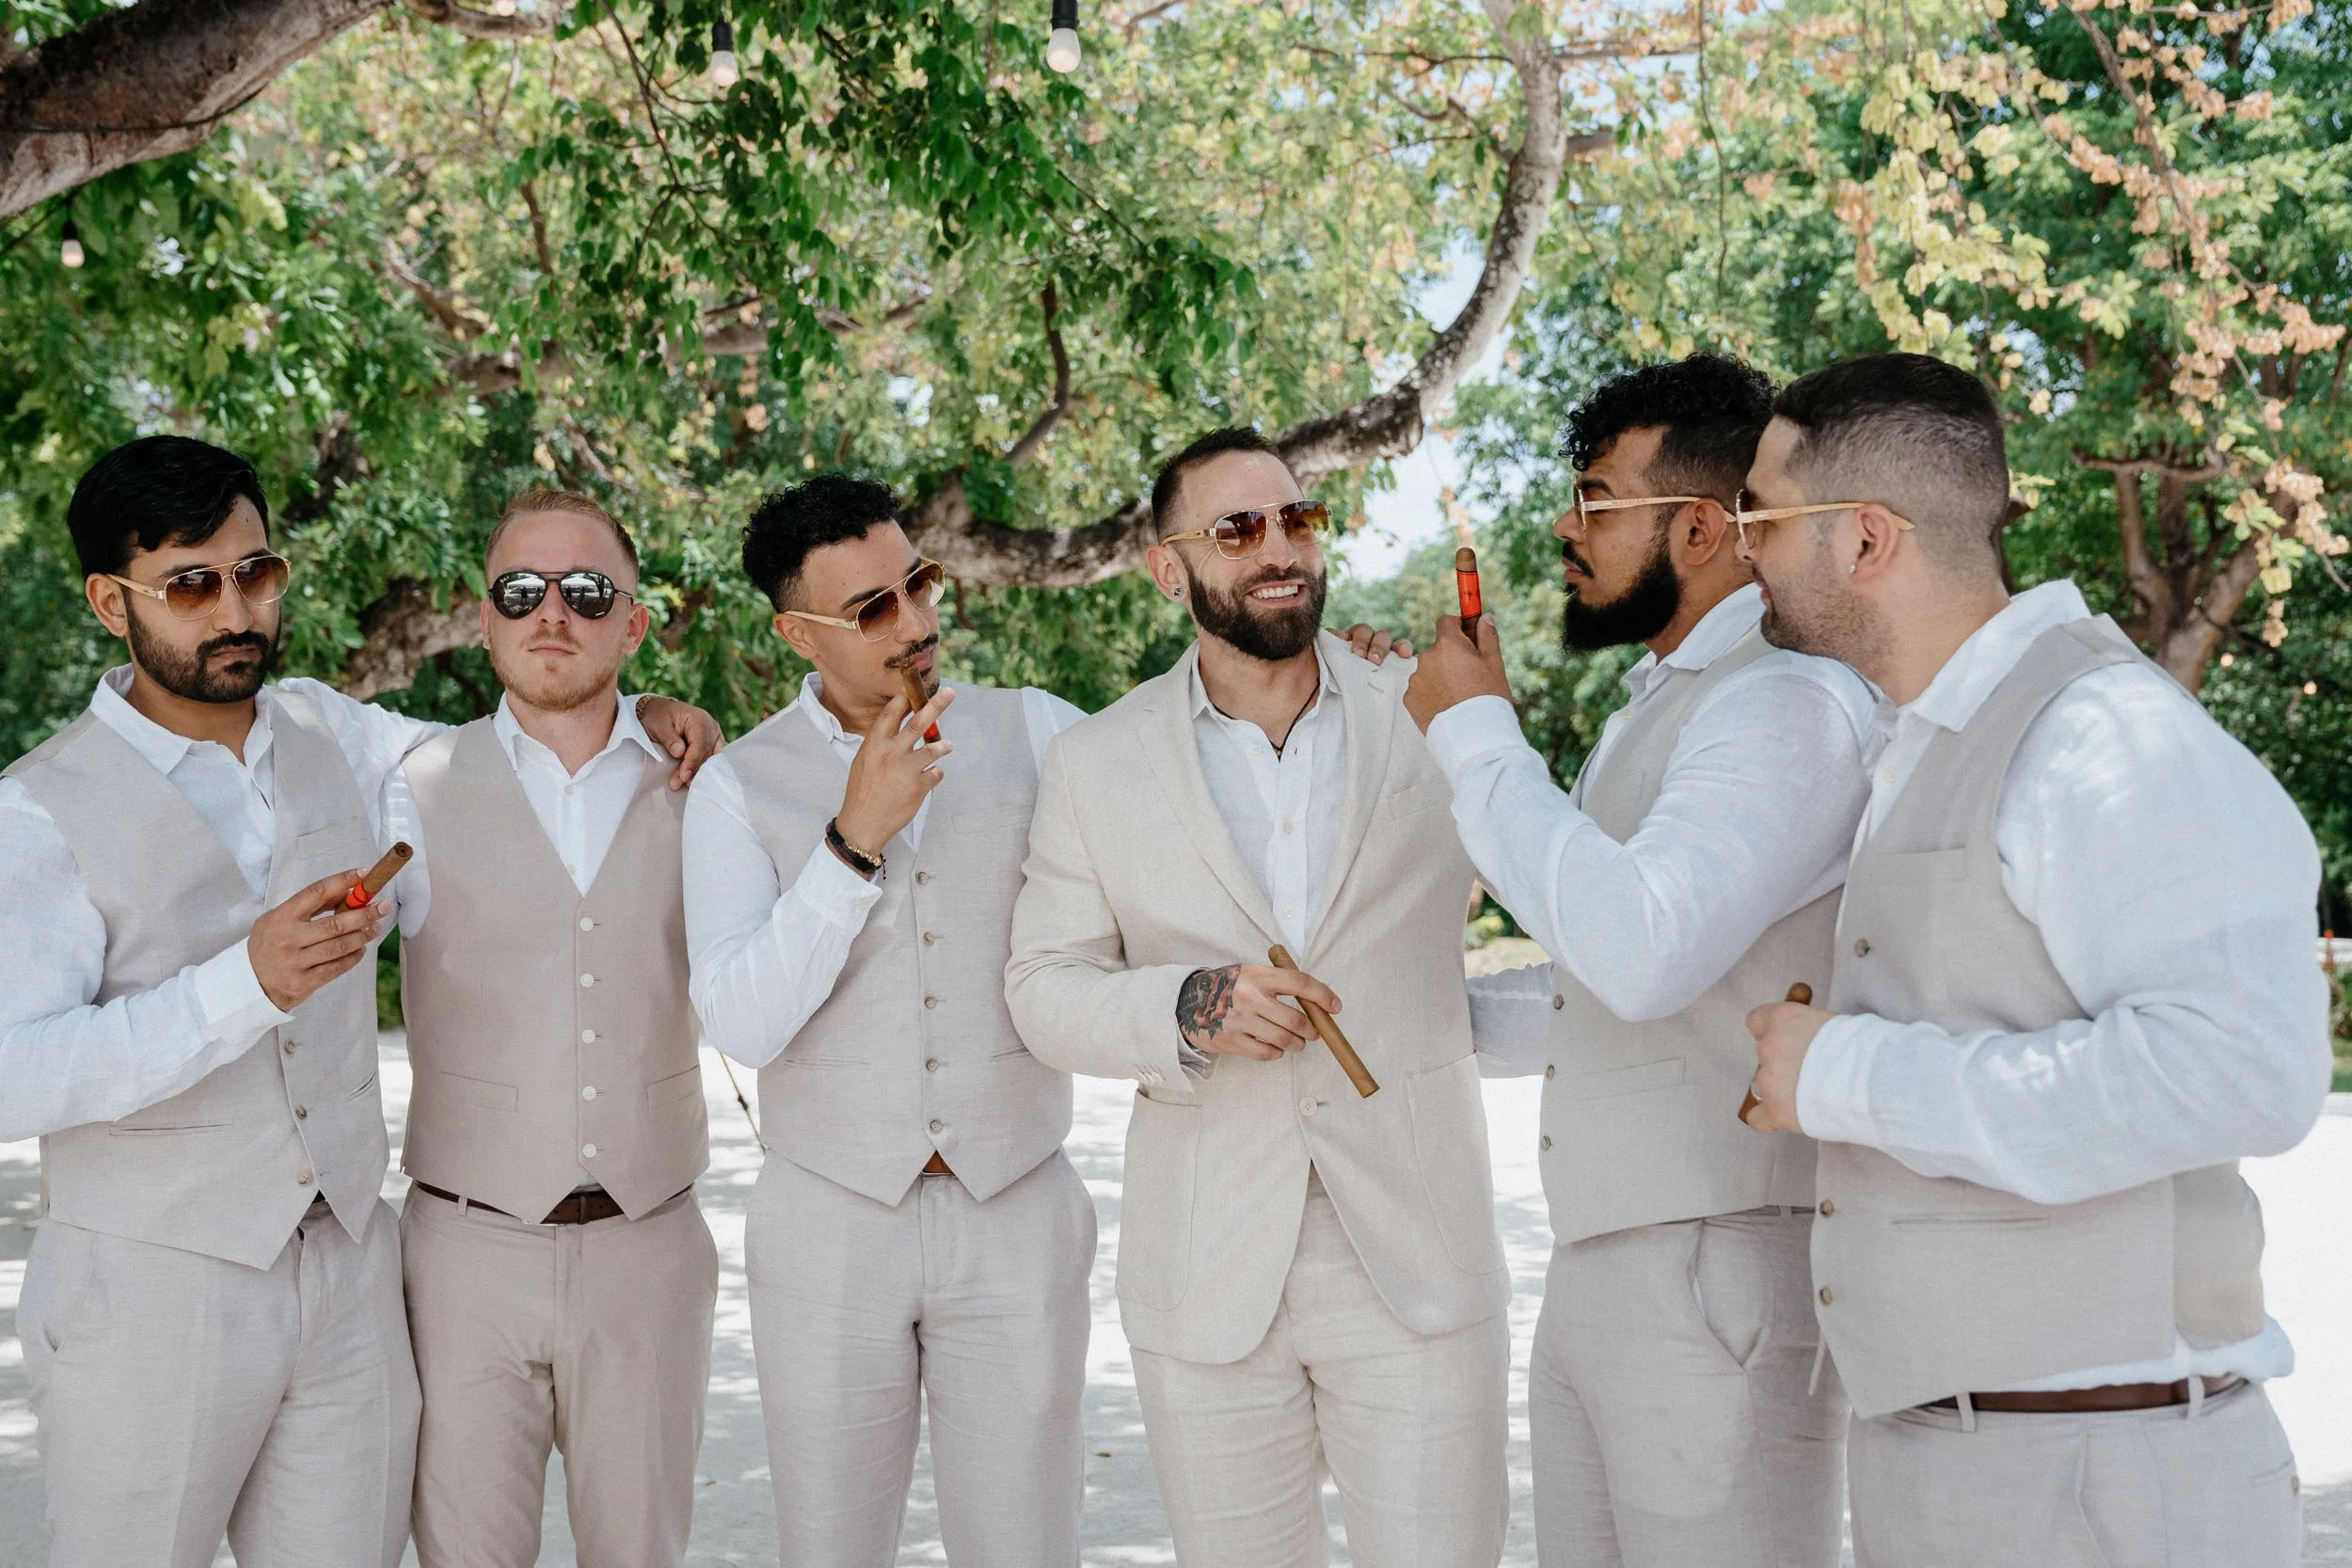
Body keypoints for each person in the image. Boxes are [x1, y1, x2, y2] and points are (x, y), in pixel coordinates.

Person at [0, 437, 718, 1568]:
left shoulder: (336, 731)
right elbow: (15, 1072)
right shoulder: (37, 812)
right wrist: (241, 986)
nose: (234, 608)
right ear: (110, 601)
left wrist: (643, 711)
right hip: (152, 1291)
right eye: (192, 583)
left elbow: (527, 755)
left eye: (256, 572)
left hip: (350, 1278)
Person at [1735, 353, 2328, 1568]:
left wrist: (1844, 1075)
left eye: (1761, 513)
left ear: (1862, 540)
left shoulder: (2103, 735)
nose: (1737, 543)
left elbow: (2242, 1072)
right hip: (1990, 1466)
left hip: (2097, 1483)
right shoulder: (1931, 738)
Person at [1400, 354, 1874, 1567]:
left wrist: (1475, 729)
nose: (1566, 527)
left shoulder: (1781, 704)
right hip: (1615, 1262)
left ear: (1704, 528)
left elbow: (1640, 947)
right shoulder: (1667, 697)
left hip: (1712, 1261)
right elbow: (1603, 996)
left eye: (1599, 499)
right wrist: (1416, 1013)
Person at [1007, 427, 1510, 1568]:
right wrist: (1185, 1006)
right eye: (1237, 529)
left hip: (1417, 1254)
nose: (1277, 547)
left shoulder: (1431, 709)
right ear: (1168, 566)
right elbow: (1041, 986)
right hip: (1207, 1270)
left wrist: (1488, 720)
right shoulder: (1096, 759)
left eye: (1296, 519)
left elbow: (1546, 880)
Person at [683, 475, 1093, 1568]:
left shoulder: (1037, 728)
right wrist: (850, 841)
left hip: (1017, 1203)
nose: (914, 622)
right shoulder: (734, 786)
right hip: (827, 1223)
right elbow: (740, 1019)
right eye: (871, 608)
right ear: (794, 632)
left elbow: (1179, 803)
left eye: (918, 583)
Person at [390, 489, 719, 1568]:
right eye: (519, 591)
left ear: (633, 622)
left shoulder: (709, 785)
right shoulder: (406, 786)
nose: (551, 614)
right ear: (481, 617)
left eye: (586, 592)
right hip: (462, 1251)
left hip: (650, 1245)